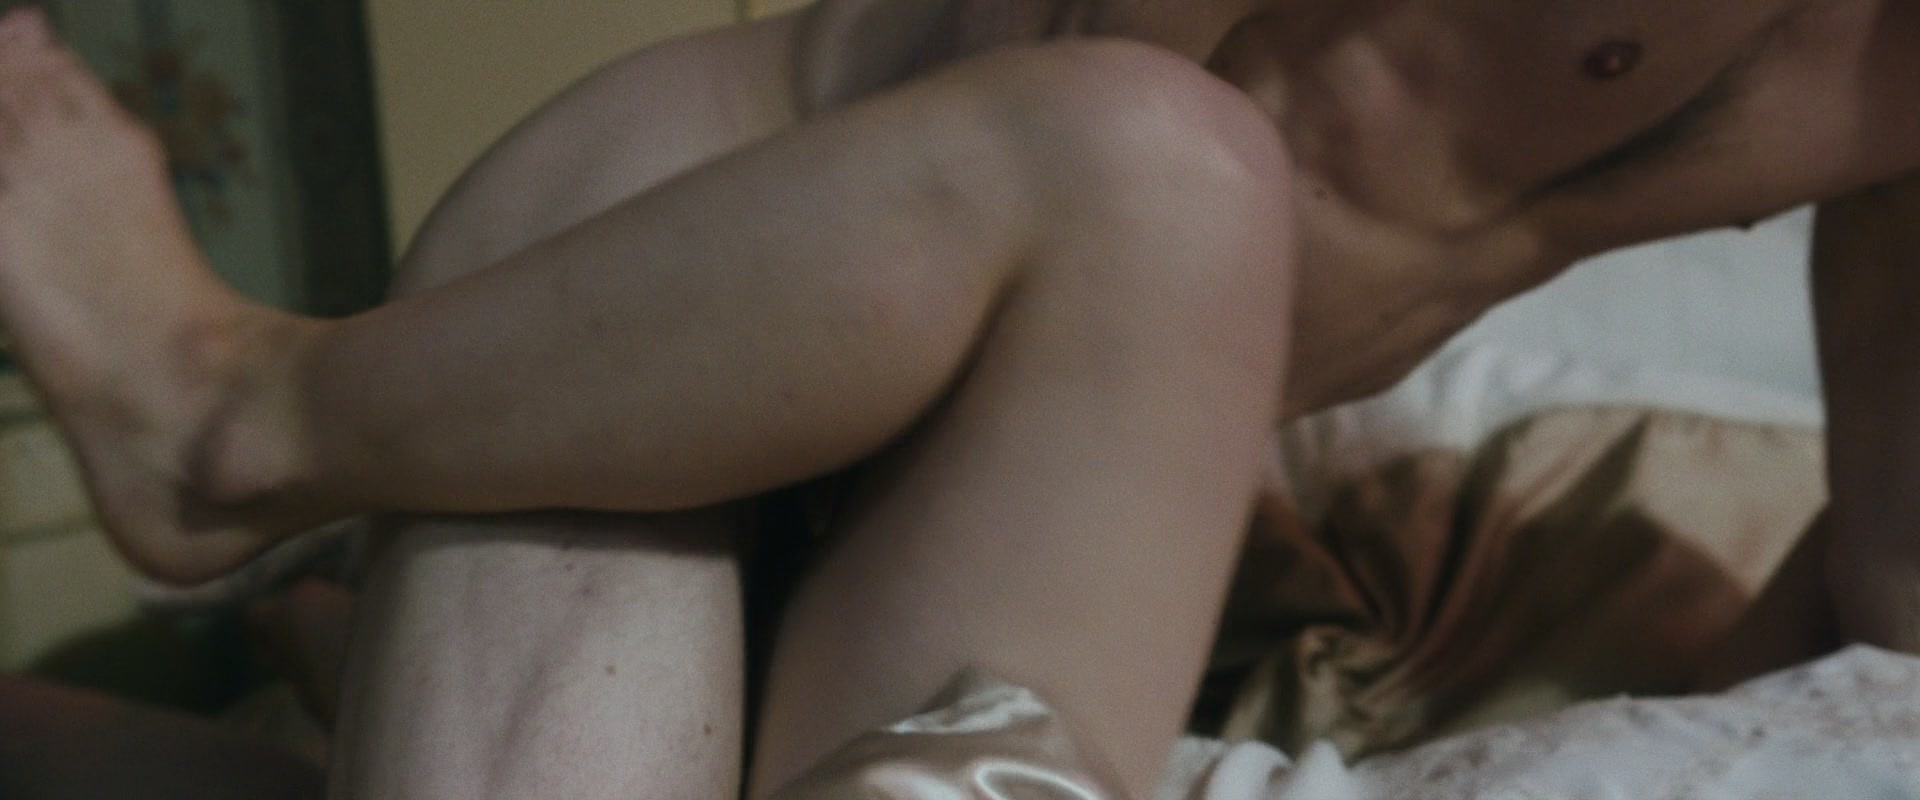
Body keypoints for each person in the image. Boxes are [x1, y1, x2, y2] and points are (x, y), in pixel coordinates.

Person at [0, 0, 1914, 796]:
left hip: (1044, 448)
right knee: (1167, 164)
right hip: (701, 273)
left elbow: (1893, 599)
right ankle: (242, 428)